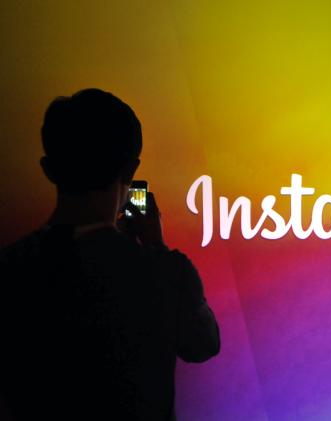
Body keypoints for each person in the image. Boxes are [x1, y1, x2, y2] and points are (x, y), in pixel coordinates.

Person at [0, 88, 220, 421]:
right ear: (130, 171)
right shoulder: (166, 273)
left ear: (49, 169)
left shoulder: (10, 268)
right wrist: (156, 249)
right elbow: (204, 344)